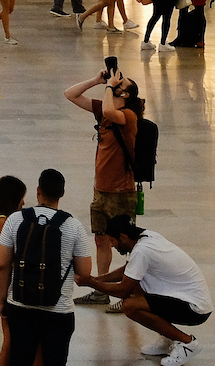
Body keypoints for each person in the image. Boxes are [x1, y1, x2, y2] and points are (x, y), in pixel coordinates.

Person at [0, 168, 92, 366]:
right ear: (62, 193)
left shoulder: (15, 219)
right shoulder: (74, 226)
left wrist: (2, 300)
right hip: (58, 310)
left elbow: (3, 264)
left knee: (19, 358)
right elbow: (84, 272)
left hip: (20, 306)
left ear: (38, 191)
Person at [81, 217, 212, 366]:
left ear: (123, 237)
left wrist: (92, 283)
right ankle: (166, 339)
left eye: (112, 240)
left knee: (130, 306)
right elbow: (128, 270)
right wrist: (98, 279)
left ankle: (188, 344)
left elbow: (123, 290)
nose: (111, 245)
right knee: (136, 288)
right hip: (185, 298)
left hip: (194, 308)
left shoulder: (142, 251)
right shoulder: (146, 237)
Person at [62, 69, 140, 302]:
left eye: (119, 85)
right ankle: (103, 290)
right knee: (101, 239)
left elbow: (108, 109)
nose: (114, 85)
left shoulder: (128, 115)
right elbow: (71, 94)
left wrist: (107, 88)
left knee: (128, 242)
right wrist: (96, 81)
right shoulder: (104, 110)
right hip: (101, 189)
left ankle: (131, 293)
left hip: (122, 191)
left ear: (125, 95)